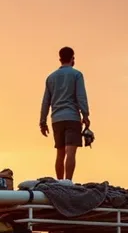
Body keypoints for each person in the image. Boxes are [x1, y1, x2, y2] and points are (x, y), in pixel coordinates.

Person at [39, 46, 91, 182]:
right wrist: (85, 115)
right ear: (72, 58)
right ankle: (68, 182)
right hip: (72, 117)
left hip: (56, 119)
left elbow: (46, 102)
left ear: (60, 59)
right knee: (71, 152)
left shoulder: (51, 77)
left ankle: (59, 182)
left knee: (60, 153)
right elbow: (81, 96)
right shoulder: (76, 75)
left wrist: (42, 122)